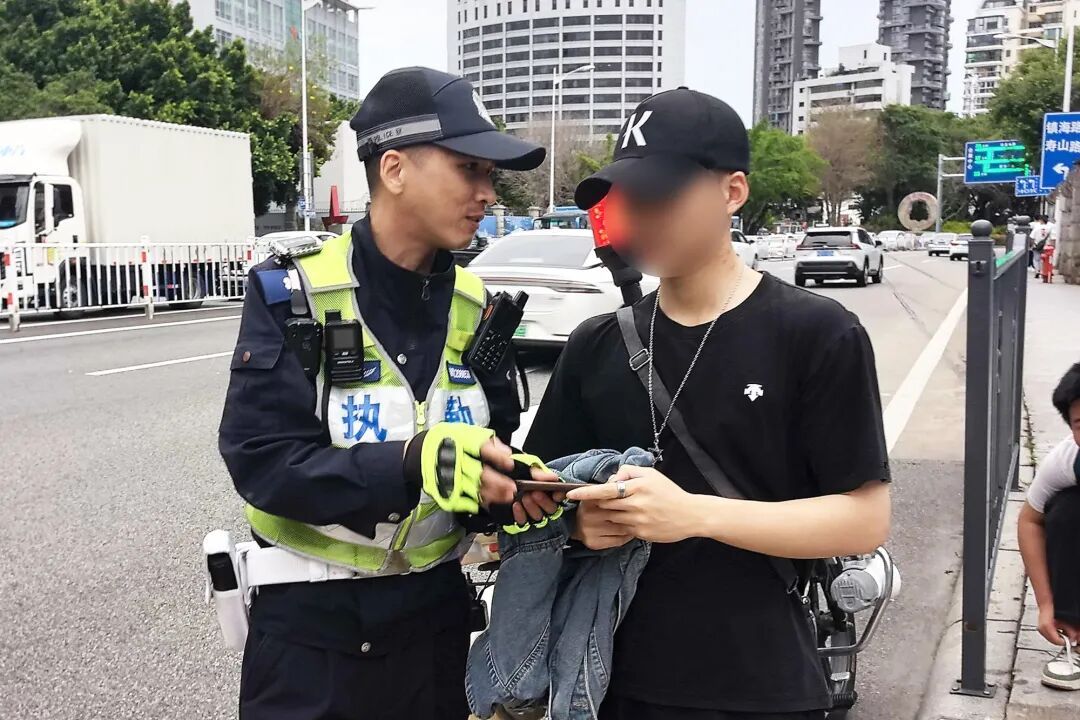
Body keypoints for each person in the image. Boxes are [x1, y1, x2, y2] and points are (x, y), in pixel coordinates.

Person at [525, 88, 893, 720]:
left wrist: (693, 514)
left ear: (733, 191)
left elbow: (863, 519)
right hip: (603, 679)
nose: (642, 216)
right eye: (628, 198)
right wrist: (577, 526)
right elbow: (539, 496)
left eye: (662, 194)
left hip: (761, 684)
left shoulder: (816, 332)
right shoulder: (596, 343)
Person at [218, 66, 560, 720]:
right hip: (310, 643)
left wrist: (506, 490)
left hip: (433, 636)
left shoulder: (478, 309)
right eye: (468, 169)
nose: (487, 194)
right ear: (395, 169)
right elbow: (262, 464)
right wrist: (409, 461)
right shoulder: (295, 296)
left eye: (490, 175)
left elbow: (485, 449)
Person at [1018, 362, 1080, 691]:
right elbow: (1029, 521)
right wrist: (1046, 604)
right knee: (1065, 510)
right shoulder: (1067, 460)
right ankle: (1074, 633)